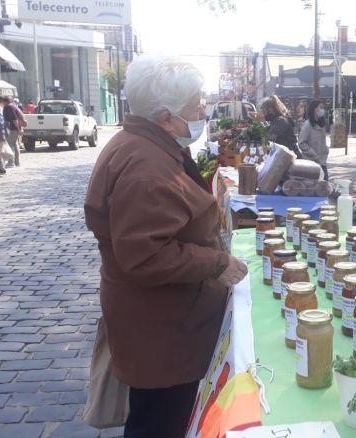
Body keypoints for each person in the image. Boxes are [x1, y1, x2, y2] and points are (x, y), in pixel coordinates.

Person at [84, 55, 248, 438]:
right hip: (162, 331)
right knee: (160, 421)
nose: (203, 110)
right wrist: (213, 262)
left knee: (159, 415)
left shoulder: (149, 144)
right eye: (196, 104)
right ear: (164, 117)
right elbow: (146, 255)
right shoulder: (145, 166)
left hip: (161, 321)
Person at [297, 99, 329, 180]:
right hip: (311, 162)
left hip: (322, 161)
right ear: (314, 109)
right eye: (320, 107)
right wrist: (313, 154)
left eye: (323, 108)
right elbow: (301, 143)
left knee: (324, 186)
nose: (322, 110)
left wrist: (326, 149)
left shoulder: (322, 124)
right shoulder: (307, 125)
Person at [1, 96, 26, 167]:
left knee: (10, 145)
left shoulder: (7, 107)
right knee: (15, 144)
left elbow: (14, 119)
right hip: (15, 128)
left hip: (11, 128)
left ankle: (11, 162)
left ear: (5, 101)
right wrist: (19, 128)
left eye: (2, 102)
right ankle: (17, 162)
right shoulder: (14, 106)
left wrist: (18, 128)